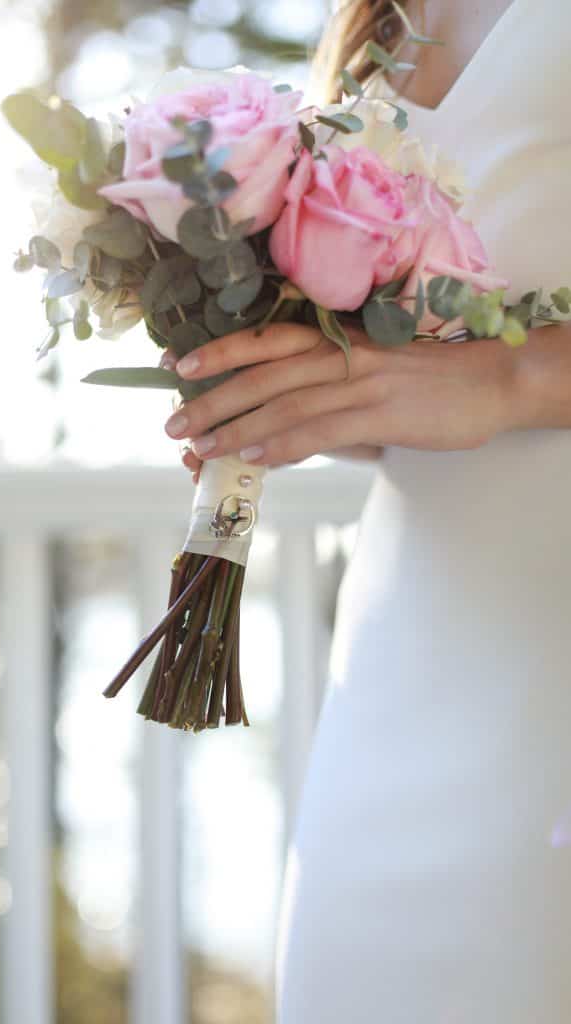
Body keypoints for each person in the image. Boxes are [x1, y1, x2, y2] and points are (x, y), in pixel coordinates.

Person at [163, 0, 571, 1019]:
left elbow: (485, 380)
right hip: (406, 655)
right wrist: (304, 396)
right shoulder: (380, 14)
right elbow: (424, 382)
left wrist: (511, 383)